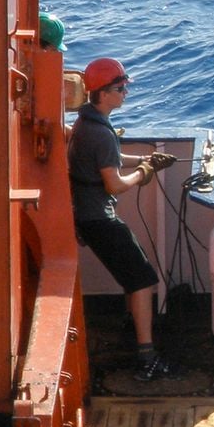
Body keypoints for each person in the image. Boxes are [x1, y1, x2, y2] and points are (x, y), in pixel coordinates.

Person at [67, 57, 179, 381]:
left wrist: (145, 159)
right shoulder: (99, 132)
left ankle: (137, 331)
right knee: (142, 279)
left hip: (88, 216)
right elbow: (114, 183)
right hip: (98, 219)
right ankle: (147, 358)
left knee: (135, 277)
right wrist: (143, 173)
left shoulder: (88, 123)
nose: (125, 92)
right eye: (120, 88)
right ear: (103, 93)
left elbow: (109, 157)